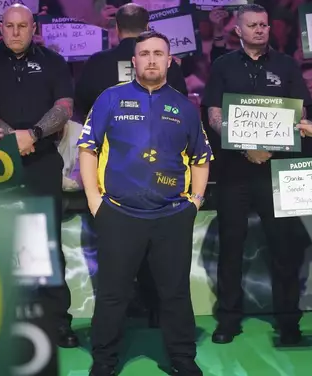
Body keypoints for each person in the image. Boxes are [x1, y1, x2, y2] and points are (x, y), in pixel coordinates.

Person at [78, 31, 212, 376]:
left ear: (170, 60)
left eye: (158, 53)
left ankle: (183, 359)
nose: (151, 59)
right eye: (145, 53)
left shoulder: (185, 107)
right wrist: (95, 200)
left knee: (175, 294)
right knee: (112, 296)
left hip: (171, 218)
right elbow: (87, 148)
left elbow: (201, 158)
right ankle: (104, 361)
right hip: (119, 215)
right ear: (133, 61)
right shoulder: (109, 99)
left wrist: (195, 202)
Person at [0, 4, 78, 348]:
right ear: (0, 27)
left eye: (22, 26)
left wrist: (35, 134)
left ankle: (57, 322)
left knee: (48, 243)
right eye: (9, 26)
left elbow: (64, 108)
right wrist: (13, 136)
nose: (15, 32)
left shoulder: (53, 61)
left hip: (42, 160)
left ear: (33, 27)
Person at [202, 4, 312, 345]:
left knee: (284, 249)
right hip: (234, 172)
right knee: (232, 248)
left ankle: (289, 322)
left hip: (277, 171)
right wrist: (244, 146)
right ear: (238, 30)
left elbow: (301, 111)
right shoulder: (222, 66)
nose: (260, 30)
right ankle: (229, 320)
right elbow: (214, 114)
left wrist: (271, 149)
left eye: (264, 24)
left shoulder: (287, 65)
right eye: (253, 25)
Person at [75, 2, 188, 327]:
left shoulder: (97, 63)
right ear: (147, 24)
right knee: (163, 270)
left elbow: (82, 114)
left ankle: (116, 333)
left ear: (115, 27)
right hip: (162, 186)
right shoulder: (171, 66)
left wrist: (94, 196)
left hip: (114, 183)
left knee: (116, 272)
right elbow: (182, 114)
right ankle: (155, 319)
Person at [74, 3, 187, 117]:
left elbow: (82, 103)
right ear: (147, 27)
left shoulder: (96, 62)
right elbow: (181, 105)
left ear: (117, 28)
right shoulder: (166, 63)